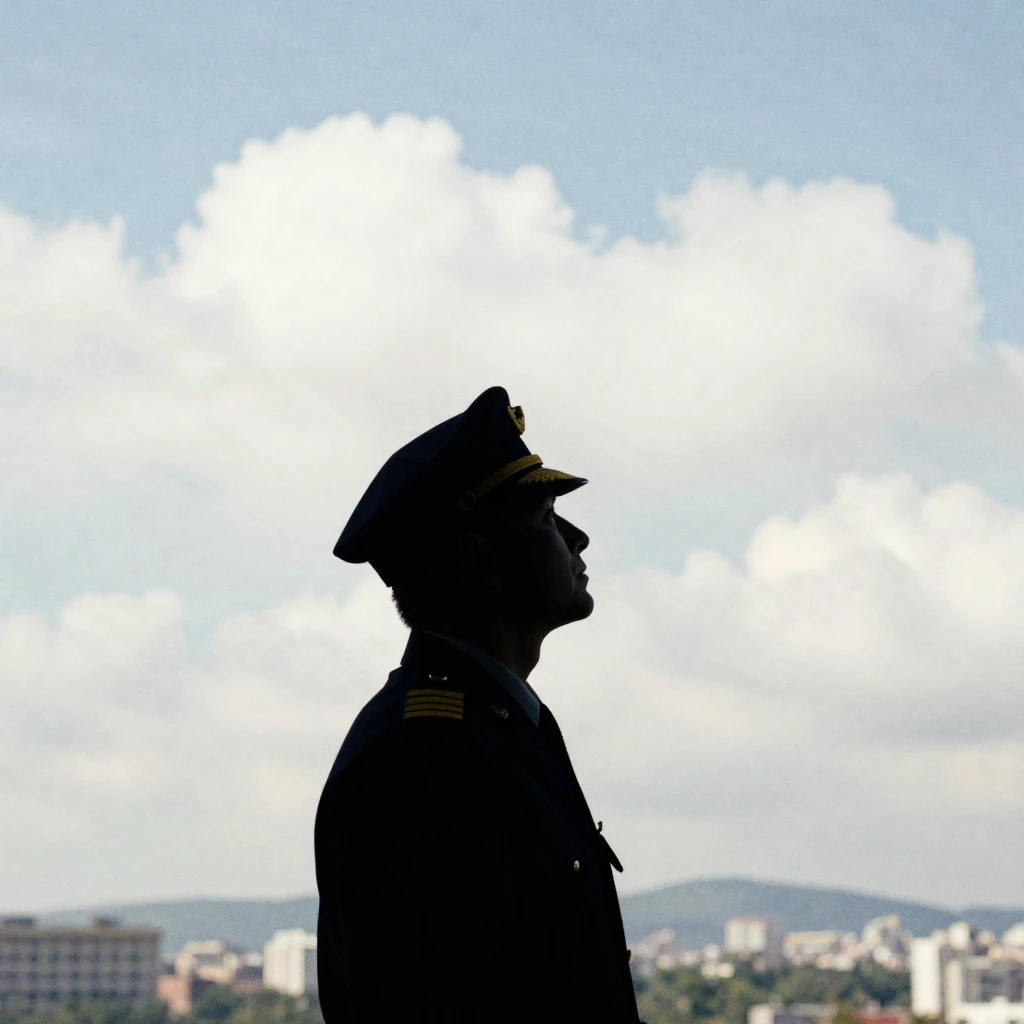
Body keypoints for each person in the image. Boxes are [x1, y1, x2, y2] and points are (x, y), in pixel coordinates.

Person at [314, 386, 642, 1023]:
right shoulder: (423, 751)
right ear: (481, 559)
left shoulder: (498, 723)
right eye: (546, 517)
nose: (578, 538)